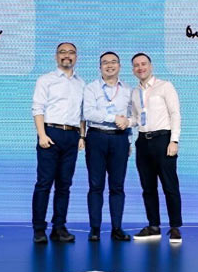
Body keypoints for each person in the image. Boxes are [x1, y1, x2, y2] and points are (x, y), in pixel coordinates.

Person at [31, 42, 86, 243]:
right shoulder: (46, 80)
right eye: (63, 52)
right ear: (56, 56)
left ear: (76, 57)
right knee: (44, 183)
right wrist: (42, 135)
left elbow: (82, 114)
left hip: (72, 136)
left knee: (64, 185)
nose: (67, 56)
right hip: (50, 133)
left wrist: (82, 136)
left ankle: (59, 227)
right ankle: (39, 229)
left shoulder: (81, 83)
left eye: (71, 52)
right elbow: (38, 108)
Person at [130, 53, 183, 243]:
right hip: (143, 141)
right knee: (148, 187)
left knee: (170, 185)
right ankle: (153, 226)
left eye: (143, 64)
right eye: (136, 65)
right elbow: (136, 119)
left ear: (151, 66)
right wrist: (124, 122)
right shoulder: (134, 92)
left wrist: (174, 140)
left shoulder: (165, 86)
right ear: (133, 70)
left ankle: (175, 227)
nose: (140, 68)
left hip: (163, 139)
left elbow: (175, 113)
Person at [82, 52, 132, 242]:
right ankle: (95, 228)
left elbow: (129, 117)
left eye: (113, 62)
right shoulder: (91, 88)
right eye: (105, 63)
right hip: (97, 137)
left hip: (120, 139)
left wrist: (129, 140)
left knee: (117, 186)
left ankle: (117, 228)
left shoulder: (128, 89)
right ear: (100, 67)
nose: (109, 65)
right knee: (96, 185)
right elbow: (88, 113)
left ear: (119, 66)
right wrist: (113, 118)